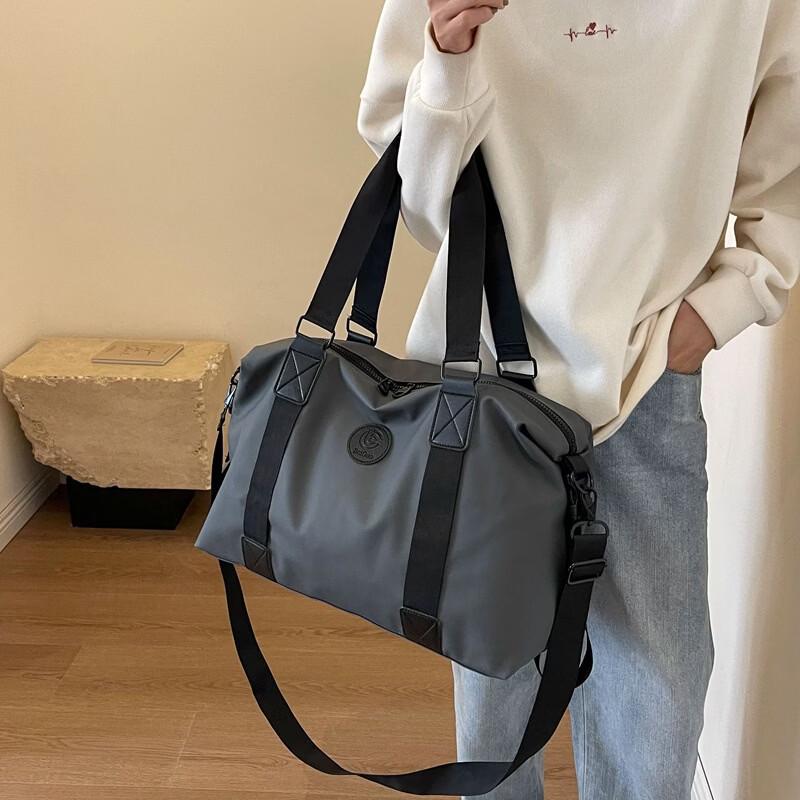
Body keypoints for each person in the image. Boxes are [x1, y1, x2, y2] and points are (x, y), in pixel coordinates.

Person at [356, 1, 800, 798]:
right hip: (485, 371)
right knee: (494, 676)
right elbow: (418, 203)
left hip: (650, 370)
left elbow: (788, 171)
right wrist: (449, 57)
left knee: (659, 689)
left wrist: (721, 309)